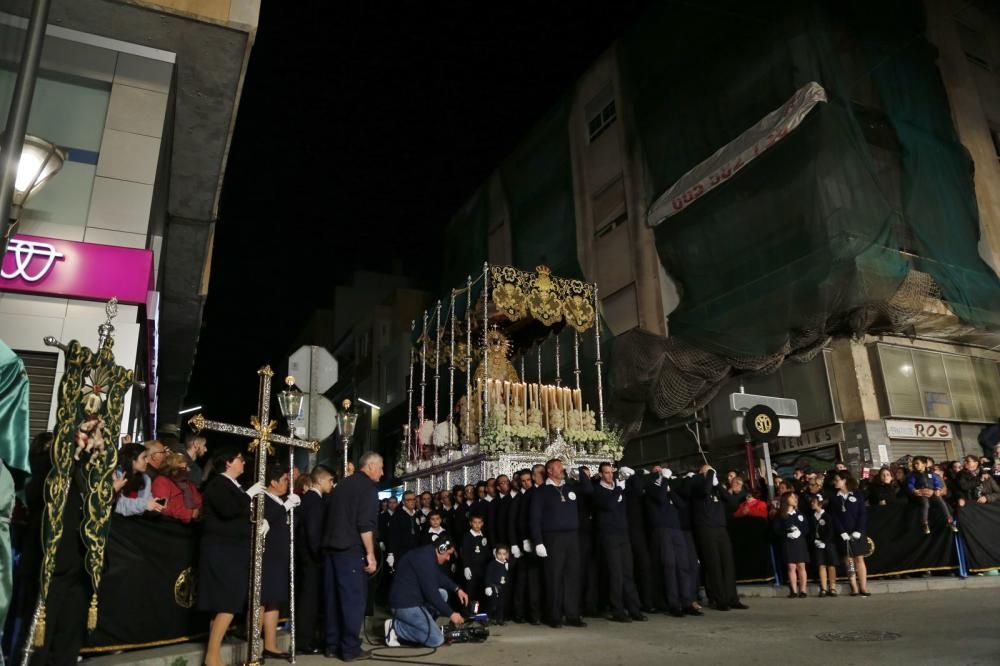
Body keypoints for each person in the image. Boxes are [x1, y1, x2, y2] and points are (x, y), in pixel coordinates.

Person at [199, 450, 263, 666]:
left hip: (232, 551)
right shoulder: (218, 484)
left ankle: (214, 654)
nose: (243, 463)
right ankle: (211, 656)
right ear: (227, 463)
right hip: (222, 551)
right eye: (239, 459)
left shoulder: (234, 486)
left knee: (224, 602)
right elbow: (228, 510)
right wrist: (249, 495)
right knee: (228, 601)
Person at [321, 452, 382, 661]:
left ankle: (331, 645)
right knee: (352, 601)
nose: (382, 473)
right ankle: (349, 649)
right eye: (381, 468)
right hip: (349, 551)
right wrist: (371, 555)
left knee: (333, 598)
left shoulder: (343, 485)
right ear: (371, 466)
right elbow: (365, 525)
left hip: (330, 549)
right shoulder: (368, 489)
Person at [530, 459, 589, 628]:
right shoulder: (541, 491)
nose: (562, 469)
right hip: (552, 538)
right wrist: (538, 542)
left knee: (572, 577)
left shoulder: (569, 487)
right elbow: (535, 518)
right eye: (559, 467)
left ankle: (572, 614)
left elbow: (588, 489)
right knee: (554, 577)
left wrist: (577, 471)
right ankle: (554, 616)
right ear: (549, 470)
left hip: (572, 537)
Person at [384, 540, 469, 648]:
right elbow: (432, 594)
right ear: (441, 549)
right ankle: (396, 628)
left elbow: (438, 576)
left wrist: (457, 589)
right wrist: (451, 614)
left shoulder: (427, 554)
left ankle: (425, 627)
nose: (448, 558)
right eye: (448, 554)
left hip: (412, 599)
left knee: (443, 594)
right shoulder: (424, 559)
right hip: (404, 606)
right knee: (437, 640)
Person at [689, 465, 748, 611]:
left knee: (728, 563)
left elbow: (732, 502)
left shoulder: (716, 488)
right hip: (706, 529)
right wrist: (708, 475)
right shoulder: (696, 484)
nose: (711, 474)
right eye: (708, 472)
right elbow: (704, 491)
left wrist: (718, 485)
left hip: (720, 528)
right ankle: (719, 599)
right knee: (713, 564)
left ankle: (732, 598)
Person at [592, 463, 646, 622]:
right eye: (606, 473)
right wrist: (618, 489)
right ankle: (618, 610)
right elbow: (607, 505)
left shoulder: (619, 486)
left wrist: (633, 475)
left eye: (611, 472)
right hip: (609, 536)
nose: (610, 475)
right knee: (616, 574)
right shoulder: (598, 490)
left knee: (628, 573)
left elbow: (638, 491)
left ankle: (634, 609)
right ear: (601, 474)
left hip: (623, 535)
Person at [297, 465, 335, 654]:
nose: (332, 484)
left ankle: (310, 638)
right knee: (309, 601)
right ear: (320, 480)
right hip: (311, 558)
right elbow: (313, 532)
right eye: (330, 480)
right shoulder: (313, 500)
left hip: (312, 557)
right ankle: (304, 641)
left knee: (313, 600)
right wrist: (319, 556)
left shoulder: (314, 500)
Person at [829, 470, 870, 597]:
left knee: (859, 559)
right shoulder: (834, 497)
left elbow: (862, 514)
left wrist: (859, 530)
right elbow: (834, 517)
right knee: (849, 561)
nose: (835, 482)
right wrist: (842, 532)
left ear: (844, 480)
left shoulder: (857, 494)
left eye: (837, 480)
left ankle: (863, 587)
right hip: (843, 534)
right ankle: (854, 587)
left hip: (857, 532)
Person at [906, 456, 956, 534]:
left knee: (942, 502)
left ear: (924, 464)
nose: (915, 465)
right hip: (921, 494)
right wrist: (914, 490)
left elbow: (937, 482)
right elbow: (910, 484)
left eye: (917, 463)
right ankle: (925, 523)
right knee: (925, 504)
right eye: (914, 464)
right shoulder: (914, 475)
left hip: (933, 493)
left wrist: (937, 489)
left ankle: (950, 521)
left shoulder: (931, 473)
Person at [112, 442, 164, 517]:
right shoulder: (117, 476)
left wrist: (156, 504)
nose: (147, 461)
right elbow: (119, 506)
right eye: (144, 458)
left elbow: (147, 500)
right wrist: (145, 505)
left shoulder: (145, 478)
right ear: (133, 460)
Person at [774, 492, 809, 598]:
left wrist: (800, 532)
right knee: (791, 566)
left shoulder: (800, 514)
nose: (795, 499)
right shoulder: (780, 515)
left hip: (799, 542)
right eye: (792, 497)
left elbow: (806, 528)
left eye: (795, 497)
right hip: (788, 542)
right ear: (786, 500)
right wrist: (787, 534)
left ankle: (803, 590)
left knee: (801, 565)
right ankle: (793, 590)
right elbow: (776, 529)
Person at [151, 452, 203, 523]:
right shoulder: (161, 481)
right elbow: (161, 506)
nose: (188, 470)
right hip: (172, 523)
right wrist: (189, 513)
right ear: (174, 470)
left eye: (187, 466)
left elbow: (199, 502)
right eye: (184, 468)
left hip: (193, 522)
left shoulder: (187, 482)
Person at [809, 494, 838, 597]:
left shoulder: (827, 516)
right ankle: (824, 588)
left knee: (831, 565)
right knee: (821, 565)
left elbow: (830, 531)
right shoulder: (812, 517)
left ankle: (833, 587)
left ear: (820, 503)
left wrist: (825, 542)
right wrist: (815, 541)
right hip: (818, 544)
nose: (812, 504)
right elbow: (811, 532)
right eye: (811, 502)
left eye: (814, 502)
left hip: (828, 544)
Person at [387, 491, 421, 570]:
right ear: (403, 502)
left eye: (413, 499)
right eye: (409, 500)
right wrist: (391, 554)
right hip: (401, 552)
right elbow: (392, 536)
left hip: (415, 551)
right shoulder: (397, 515)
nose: (412, 502)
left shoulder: (416, 514)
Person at [461, 514, 490, 606]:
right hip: (472, 569)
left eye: (479, 522)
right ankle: (469, 614)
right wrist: (466, 567)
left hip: (482, 569)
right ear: (470, 523)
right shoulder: (467, 536)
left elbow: (486, 551)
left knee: (481, 591)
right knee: (471, 592)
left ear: (482, 523)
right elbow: (465, 553)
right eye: (475, 522)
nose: (477, 525)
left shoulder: (483, 535)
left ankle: (479, 614)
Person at [483, 545, 510, 625]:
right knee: (492, 605)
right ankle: (486, 618)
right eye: (500, 554)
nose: (502, 556)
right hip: (493, 587)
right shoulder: (492, 564)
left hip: (502, 588)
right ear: (496, 554)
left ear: (507, 554)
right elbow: (487, 576)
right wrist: (488, 586)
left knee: (501, 604)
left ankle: (499, 619)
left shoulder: (506, 564)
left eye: (504, 554)